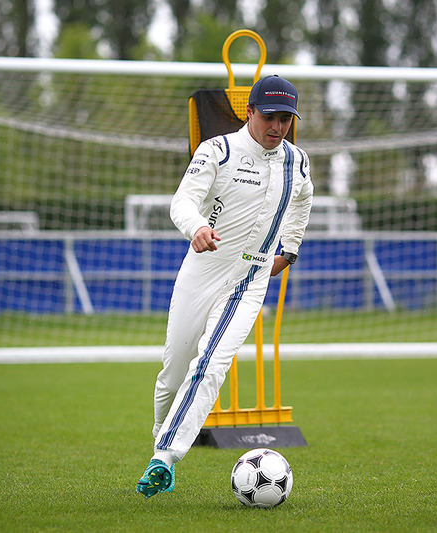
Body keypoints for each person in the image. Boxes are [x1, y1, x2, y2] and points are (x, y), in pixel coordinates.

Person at [136, 75, 313, 498]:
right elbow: (182, 201)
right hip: (202, 270)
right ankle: (162, 435)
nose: (278, 127)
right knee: (173, 373)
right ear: (248, 112)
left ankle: (165, 457)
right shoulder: (218, 149)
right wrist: (196, 226)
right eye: (270, 117)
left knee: (211, 365)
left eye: (286, 119)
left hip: (249, 280)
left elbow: (303, 201)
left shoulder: (298, 161)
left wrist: (288, 250)